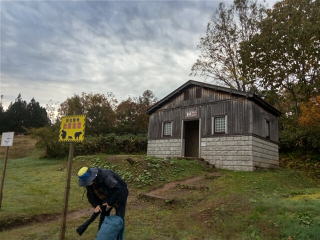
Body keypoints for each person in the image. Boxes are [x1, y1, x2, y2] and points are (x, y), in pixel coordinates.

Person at [77, 167, 128, 232]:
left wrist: (110, 203)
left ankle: (118, 235)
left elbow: (118, 189)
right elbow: (90, 195)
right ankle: (101, 234)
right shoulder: (89, 182)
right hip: (107, 195)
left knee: (119, 217)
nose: (88, 183)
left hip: (120, 193)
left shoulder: (106, 176)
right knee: (104, 214)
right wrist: (96, 205)